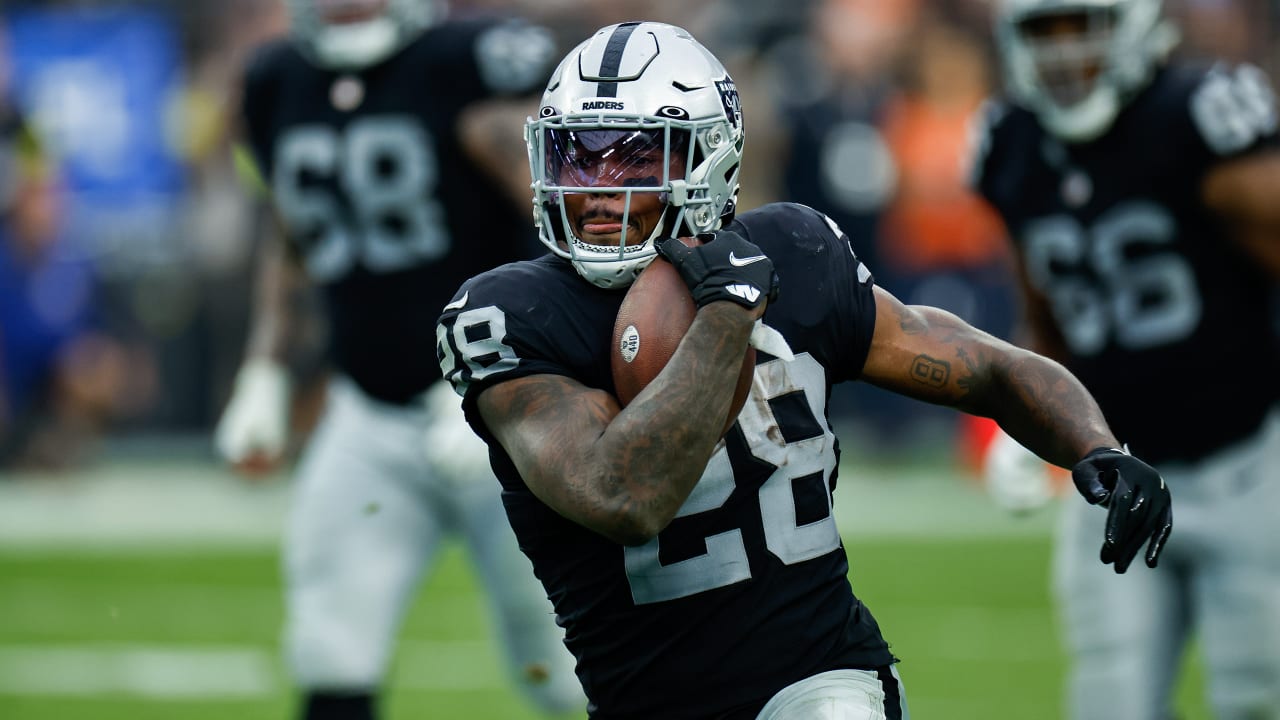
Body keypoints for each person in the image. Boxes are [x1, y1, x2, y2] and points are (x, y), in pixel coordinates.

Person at [437, 21, 1174, 719]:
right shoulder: (508, 314)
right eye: (577, 154)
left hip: (822, 681)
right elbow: (625, 496)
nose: (597, 185)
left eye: (635, 154)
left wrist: (1096, 444)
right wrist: (728, 314)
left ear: (709, 158)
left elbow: (983, 364)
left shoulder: (793, 250)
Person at [214, 1, 583, 718]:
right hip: (369, 412)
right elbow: (293, 226)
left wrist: (502, 372)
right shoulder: (275, 77)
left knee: (565, 667)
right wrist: (264, 370)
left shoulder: (470, 62)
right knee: (331, 649)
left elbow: (564, 227)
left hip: (514, 416)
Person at [971, 0, 1280, 717]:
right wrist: (1028, 409)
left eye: (1081, 25)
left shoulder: (1194, 117)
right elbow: (1043, 313)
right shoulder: (1009, 144)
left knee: (1256, 697)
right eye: (1043, 31)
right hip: (1118, 472)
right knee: (1109, 700)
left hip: (1250, 461)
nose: (1062, 52)